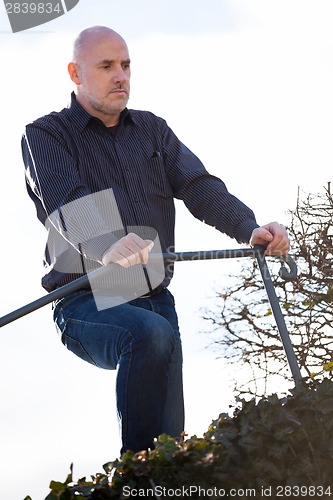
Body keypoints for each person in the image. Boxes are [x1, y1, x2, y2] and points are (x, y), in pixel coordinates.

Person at [21, 26, 290, 455]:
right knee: (148, 335)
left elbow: (199, 186)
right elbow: (64, 197)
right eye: (106, 66)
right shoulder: (45, 135)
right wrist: (108, 243)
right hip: (83, 299)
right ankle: (134, 477)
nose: (120, 75)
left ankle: (154, 476)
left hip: (156, 299)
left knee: (170, 444)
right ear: (75, 72)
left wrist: (248, 227)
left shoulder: (152, 131)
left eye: (126, 65)